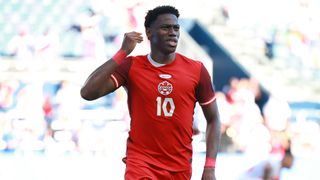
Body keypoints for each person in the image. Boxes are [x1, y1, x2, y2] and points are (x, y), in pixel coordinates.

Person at [80, 5, 221, 180]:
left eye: (176, 28)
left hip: (179, 168)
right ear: (148, 33)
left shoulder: (196, 70)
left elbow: (214, 119)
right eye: (165, 27)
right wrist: (122, 52)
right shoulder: (131, 66)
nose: (173, 32)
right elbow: (87, 92)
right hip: (141, 164)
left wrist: (209, 168)